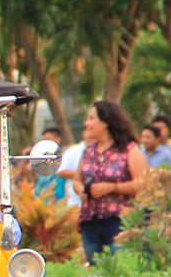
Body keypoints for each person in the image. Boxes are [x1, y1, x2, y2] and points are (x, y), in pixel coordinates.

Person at [62, 100, 148, 262]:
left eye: (91, 118)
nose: (86, 123)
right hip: (90, 222)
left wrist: (112, 188)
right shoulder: (88, 152)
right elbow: (77, 179)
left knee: (119, 270)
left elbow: (143, 184)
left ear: (105, 123)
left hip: (119, 222)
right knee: (97, 276)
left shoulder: (129, 150)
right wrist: (80, 189)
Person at [34, 126, 68, 202]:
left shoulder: (66, 158)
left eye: (48, 139)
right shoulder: (41, 160)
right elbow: (24, 170)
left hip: (57, 203)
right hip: (39, 204)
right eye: (43, 140)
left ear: (58, 139)